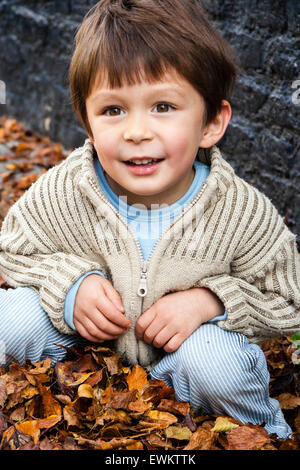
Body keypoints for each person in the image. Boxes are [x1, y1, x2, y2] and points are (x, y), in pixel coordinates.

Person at [0, 0, 299, 438]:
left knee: (217, 367)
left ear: (211, 122)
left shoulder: (239, 212)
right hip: (79, 345)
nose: (136, 131)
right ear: (87, 121)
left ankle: (264, 433)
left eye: (162, 106)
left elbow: (290, 299)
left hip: (182, 356)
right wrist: (69, 285)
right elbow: (12, 248)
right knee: (10, 318)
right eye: (113, 110)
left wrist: (212, 302)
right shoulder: (68, 190)